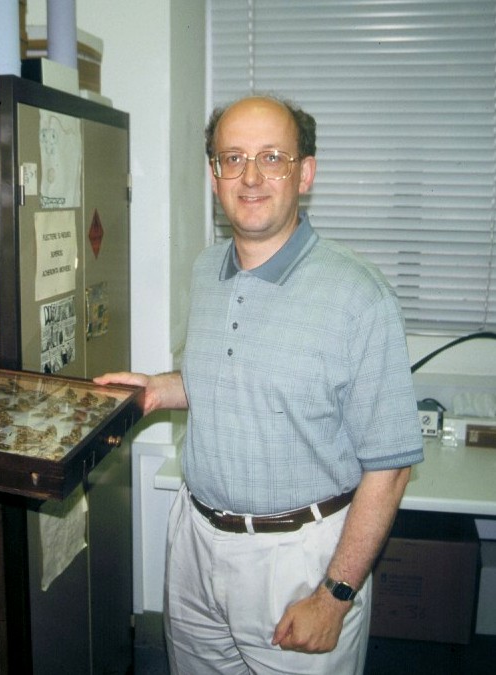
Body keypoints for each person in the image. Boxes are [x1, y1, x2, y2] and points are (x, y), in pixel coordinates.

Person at [95, 95, 423, 674]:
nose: (250, 177)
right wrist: (153, 388)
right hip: (195, 540)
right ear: (214, 174)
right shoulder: (206, 268)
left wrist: (335, 594)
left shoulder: (358, 295)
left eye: (273, 157)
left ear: (306, 172)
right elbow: (224, 378)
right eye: (233, 158)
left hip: (297, 559)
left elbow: (390, 467)